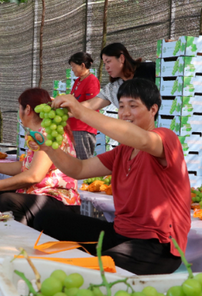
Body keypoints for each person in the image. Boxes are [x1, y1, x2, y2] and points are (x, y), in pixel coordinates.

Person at [34, 79, 190, 275]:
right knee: (45, 218)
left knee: (103, 268)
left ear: (153, 110)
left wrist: (81, 111)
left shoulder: (166, 138)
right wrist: (48, 148)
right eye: (121, 106)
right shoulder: (122, 151)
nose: (125, 112)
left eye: (133, 106)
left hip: (158, 246)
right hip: (121, 233)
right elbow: (79, 169)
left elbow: (142, 139)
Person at [0, 88, 80, 228]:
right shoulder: (38, 133)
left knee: (6, 200)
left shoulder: (47, 134)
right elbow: (25, 166)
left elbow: (34, 175)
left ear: (27, 109)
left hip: (59, 200)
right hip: (40, 195)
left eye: (19, 107)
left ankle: (21, 240)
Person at [82, 43, 154, 111]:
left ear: (121, 58)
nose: (106, 67)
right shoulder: (113, 88)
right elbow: (90, 104)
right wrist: (72, 108)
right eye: (104, 64)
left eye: (108, 61)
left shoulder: (150, 69)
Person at [68, 52, 100, 159]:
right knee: (74, 163)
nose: (72, 69)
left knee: (83, 162)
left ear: (82, 65)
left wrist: (70, 111)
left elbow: (92, 104)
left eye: (73, 66)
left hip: (83, 128)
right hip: (73, 126)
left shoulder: (92, 81)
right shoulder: (78, 81)